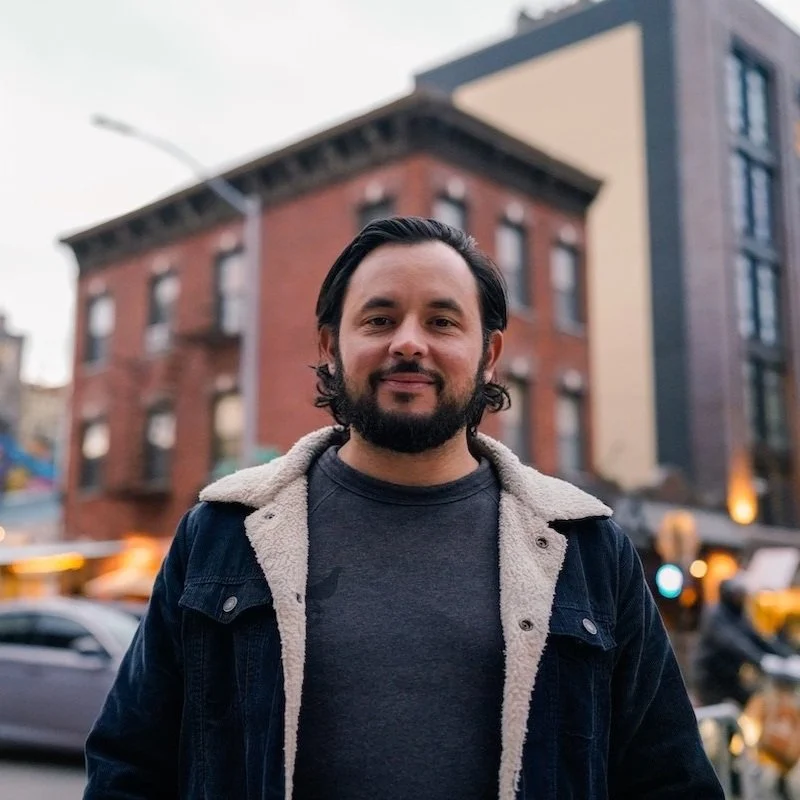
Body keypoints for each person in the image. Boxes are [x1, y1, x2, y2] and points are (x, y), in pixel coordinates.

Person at [84, 217, 723, 799]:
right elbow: (130, 767)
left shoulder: (586, 547)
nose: (409, 344)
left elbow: (668, 779)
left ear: (488, 353)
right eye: (380, 319)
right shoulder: (223, 534)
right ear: (331, 345)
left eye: (442, 322)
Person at [694, 573, 793, 707]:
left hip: (730, 677)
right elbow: (735, 643)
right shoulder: (715, 615)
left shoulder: (738, 614)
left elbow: (756, 638)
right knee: (719, 717)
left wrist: (787, 655)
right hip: (711, 679)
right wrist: (762, 660)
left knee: (750, 702)